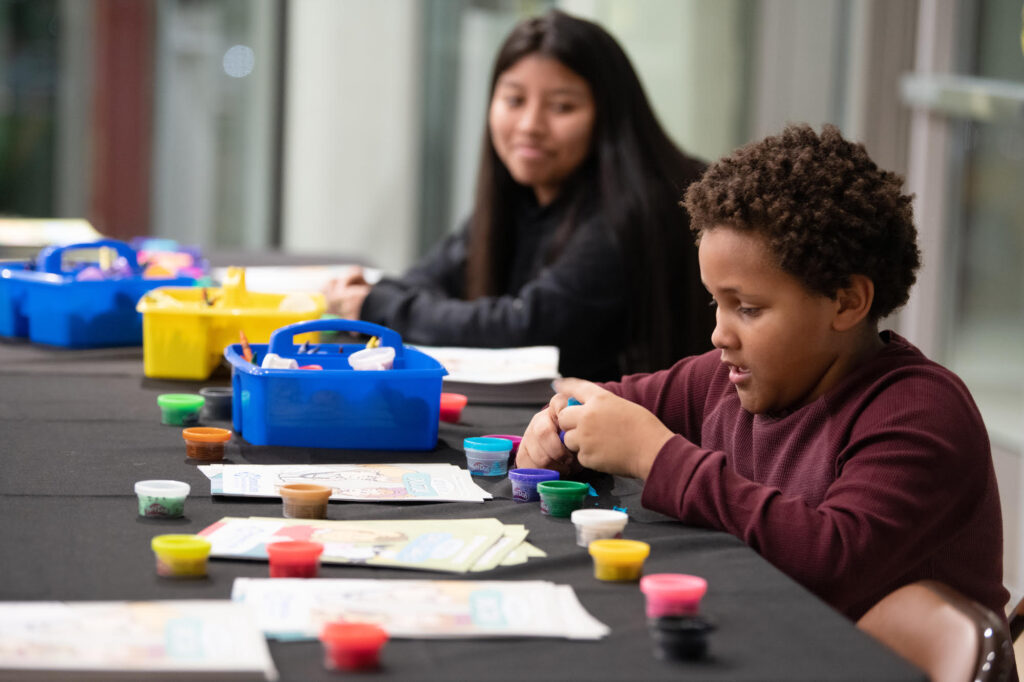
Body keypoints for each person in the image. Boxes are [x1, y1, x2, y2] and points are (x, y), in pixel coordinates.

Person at [516, 123, 1009, 623]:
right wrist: (558, 426)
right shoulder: (725, 380)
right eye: (716, 302)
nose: (719, 334)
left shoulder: (920, 413)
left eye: (747, 308)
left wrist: (656, 455)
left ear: (846, 302)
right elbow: (611, 404)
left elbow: (830, 562)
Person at [324, 10, 714, 381]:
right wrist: (379, 297)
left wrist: (380, 305)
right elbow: (430, 277)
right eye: (514, 100)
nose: (529, 126)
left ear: (608, 116)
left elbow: (528, 327)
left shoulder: (633, 207)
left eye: (562, 106)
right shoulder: (523, 192)